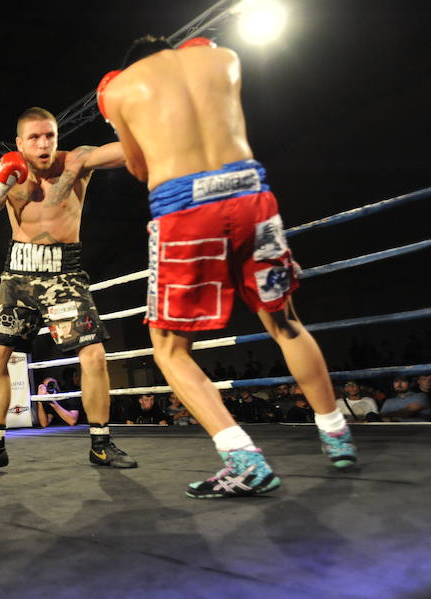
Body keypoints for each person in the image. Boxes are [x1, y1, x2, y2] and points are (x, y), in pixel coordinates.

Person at [97, 36, 356, 498]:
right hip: (251, 193)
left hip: (185, 208)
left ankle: (244, 459)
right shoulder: (223, 58)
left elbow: (138, 167)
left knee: (169, 349)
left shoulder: (119, 89)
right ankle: (336, 433)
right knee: (285, 321)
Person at [0, 106, 136, 476]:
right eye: (35, 137)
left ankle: (101, 444)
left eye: (50, 136)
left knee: (94, 354)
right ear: (19, 142)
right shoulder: (9, 174)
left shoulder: (76, 163)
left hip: (64, 273)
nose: (44, 144)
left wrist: (133, 113)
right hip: (18, 274)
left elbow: (126, 150)